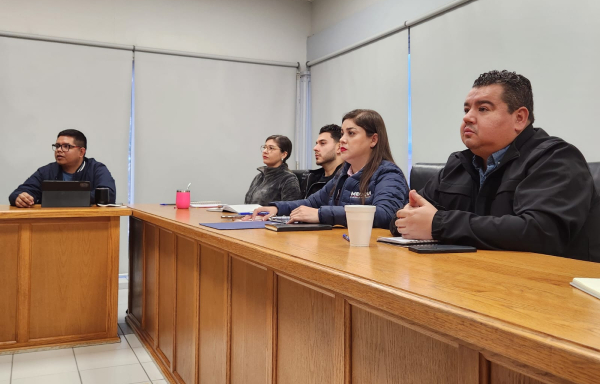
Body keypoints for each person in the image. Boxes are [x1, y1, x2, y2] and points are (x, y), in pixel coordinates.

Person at [391, 70, 600, 262]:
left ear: (519, 118)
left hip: (549, 283)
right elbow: (401, 218)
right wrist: (409, 219)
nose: (467, 117)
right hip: (473, 276)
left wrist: (438, 224)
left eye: (483, 109)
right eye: (466, 109)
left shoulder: (556, 158)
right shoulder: (458, 164)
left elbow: (542, 233)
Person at [247, 109, 409, 228]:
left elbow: (385, 215)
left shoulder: (388, 173)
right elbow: (312, 202)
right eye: (342, 133)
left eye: (351, 133)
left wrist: (320, 214)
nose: (343, 140)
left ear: (373, 140)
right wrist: (277, 208)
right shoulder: (344, 173)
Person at [9, 129, 116, 207]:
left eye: (66, 146)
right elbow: (17, 193)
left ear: (81, 152)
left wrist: (61, 197)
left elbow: (108, 195)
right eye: (57, 146)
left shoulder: (96, 169)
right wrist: (20, 197)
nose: (59, 150)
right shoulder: (46, 171)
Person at [244, 134, 301, 206]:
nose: (265, 151)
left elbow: (290, 208)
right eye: (264, 147)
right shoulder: (259, 177)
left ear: (284, 154)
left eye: (271, 148)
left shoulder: (289, 179)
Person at [299, 124, 345, 198]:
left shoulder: (347, 179)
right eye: (316, 144)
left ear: (339, 147)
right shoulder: (310, 178)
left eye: (322, 143)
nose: (315, 148)